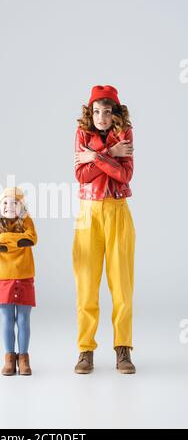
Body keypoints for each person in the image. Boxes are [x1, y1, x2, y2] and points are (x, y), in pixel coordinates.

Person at [73, 85, 136, 374]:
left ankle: (123, 349)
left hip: (117, 212)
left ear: (115, 113)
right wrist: (110, 152)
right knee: (86, 283)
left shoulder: (126, 133)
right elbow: (80, 175)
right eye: (96, 111)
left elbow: (125, 175)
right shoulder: (82, 134)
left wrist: (95, 156)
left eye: (107, 111)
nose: (101, 117)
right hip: (88, 213)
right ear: (90, 113)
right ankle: (85, 350)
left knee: (121, 284)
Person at [0, 187, 38, 376]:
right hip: (3, 276)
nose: (10, 206)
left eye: (15, 203)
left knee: (24, 319)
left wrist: (5, 238)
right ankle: (9, 358)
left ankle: (24, 358)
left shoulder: (27, 221)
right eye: (6, 203)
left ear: (21, 207)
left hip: (25, 275)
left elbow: (31, 239)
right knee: (7, 319)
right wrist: (17, 240)